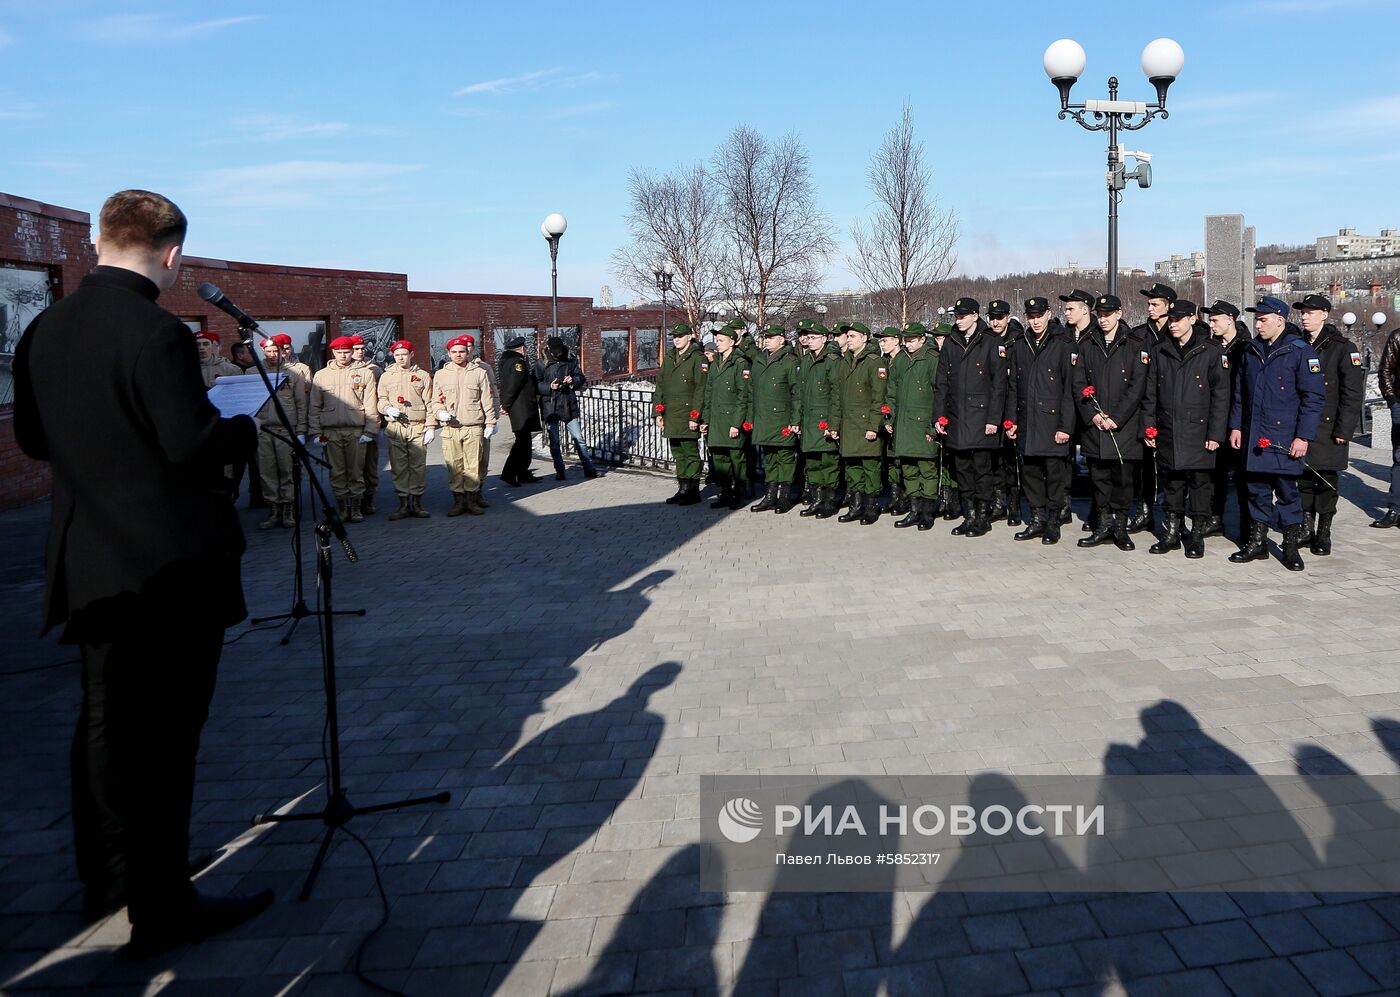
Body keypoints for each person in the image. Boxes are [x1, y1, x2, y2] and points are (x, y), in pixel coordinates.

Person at [13, 189, 272, 956]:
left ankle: (112, 874)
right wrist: (242, 428)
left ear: (98, 241)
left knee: (103, 723)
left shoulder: (45, 327)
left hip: (88, 560)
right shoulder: (157, 333)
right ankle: (163, 904)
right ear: (172, 254)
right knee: (164, 735)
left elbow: (32, 437)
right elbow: (191, 445)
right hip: (165, 568)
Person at [1228, 295, 1326, 571]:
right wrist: (1236, 426)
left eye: (1262, 319)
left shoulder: (1300, 352)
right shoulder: (1250, 350)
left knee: (1287, 494)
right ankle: (1257, 543)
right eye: (1256, 319)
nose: (1257, 324)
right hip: (1254, 435)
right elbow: (1239, 394)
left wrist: (1303, 436)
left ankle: (1291, 546)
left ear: (1280, 321)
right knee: (1256, 491)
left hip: (1284, 438)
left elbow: (1313, 398)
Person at [1142, 300, 1230, 558]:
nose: (1174, 324)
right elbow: (1150, 394)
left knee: (1200, 484)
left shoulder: (1211, 350)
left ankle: (1197, 535)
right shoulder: (1161, 350)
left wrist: (1215, 434)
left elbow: (1221, 396)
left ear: (1192, 319)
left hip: (1199, 431)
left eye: (1179, 320)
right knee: (1172, 483)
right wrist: (1150, 427)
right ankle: (1172, 533)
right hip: (1169, 428)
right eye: (1171, 320)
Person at [1073, 294, 1147, 551]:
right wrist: (1092, 415)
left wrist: (1116, 418)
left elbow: (1137, 387)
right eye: (1100, 315)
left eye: (1108, 314)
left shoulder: (1135, 344)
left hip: (1122, 428)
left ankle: (1120, 527)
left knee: (1123, 481)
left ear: (1119, 313)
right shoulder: (1088, 343)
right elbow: (1078, 381)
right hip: (1096, 426)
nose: (1103, 319)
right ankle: (1103, 526)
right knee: (1099, 479)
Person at [1292, 294, 1363, 556]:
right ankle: (1305, 527)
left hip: (1330, 427)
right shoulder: (1298, 344)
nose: (1305, 317)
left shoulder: (1343, 347)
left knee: (1326, 481)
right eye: (1303, 313)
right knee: (1303, 480)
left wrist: (1344, 430)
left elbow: (1353, 393)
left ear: (1324, 314)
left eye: (1310, 312)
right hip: (1302, 426)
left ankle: (1324, 531)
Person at [1004, 296, 1075, 544]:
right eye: (1030, 317)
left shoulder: (1063, 344)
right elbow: (1013, 386)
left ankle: (1053, 521)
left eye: (1039, 316)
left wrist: (1065, 426)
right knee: (1031, 473)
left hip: (1052, 423)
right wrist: (1011, 420)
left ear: (1048, 314)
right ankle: (1037, 519)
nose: (1035, 321)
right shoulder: (1020, 344)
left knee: (1055, 475)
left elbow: (1070, 390)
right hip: (1027, 421)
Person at [934, 298, 1006, 537]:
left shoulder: (991, 341)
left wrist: (994, 419)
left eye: (963, 315)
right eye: (957, 316)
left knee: (982, 470)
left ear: (975, 316)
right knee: (962, 469)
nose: (959, 319)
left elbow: (999, 385)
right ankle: (970, 516)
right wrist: (939, 416)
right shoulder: (951, 343)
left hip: (982, 416)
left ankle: (982, 517)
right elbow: (941, 383)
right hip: (956, 416)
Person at [309, 336, 378, 522]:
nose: (343, 355)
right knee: (337, 471)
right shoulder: (322, 375)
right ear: (333, 352)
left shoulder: (365, 373)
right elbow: (314, 406)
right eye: (339, 352)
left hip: (356, 430)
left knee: (356, 471)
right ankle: (342, 507)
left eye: (346, 352)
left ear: (352, 352)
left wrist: (370, 431)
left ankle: (356, 508)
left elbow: (371, 404)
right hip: (330, 431)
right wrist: (315, 432)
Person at [432, 334, 498, 515]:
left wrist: (491, 422)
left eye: (461, 351)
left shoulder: (479, 373)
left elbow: (487, 400)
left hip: (473, 426)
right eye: (454, 352)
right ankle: (457, 502)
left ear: (467, 352)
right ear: (448, 353)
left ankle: (472, 501)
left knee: (473, 465)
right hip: (450, 428)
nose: (458, 355)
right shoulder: (441, 374)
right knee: (454, 466)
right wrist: (439, 412)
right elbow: (435, 401)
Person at [831, 321, 887, 525]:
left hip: (865, 425)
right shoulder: (844, 361)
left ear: (864, 338)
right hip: (849, 425)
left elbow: (879, 398)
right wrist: (835, 425)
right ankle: (856, 506)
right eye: (848, 336)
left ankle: (871, 507)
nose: (849, 339)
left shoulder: (874, 362)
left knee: (870, 468)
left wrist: (874, 426)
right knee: (852, 467)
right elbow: (837, 397)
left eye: (853, 336)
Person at [887, 321, 942, 531]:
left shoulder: (931, 359)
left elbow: (939, 394)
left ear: (922, 339)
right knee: (908, 469)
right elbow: (891, 391)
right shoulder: (900, 360)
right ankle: (914, 508)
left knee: (926, 468)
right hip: (903, 424)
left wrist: (932, 426)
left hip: (923, 424)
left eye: (912, 340)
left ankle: (927, 512)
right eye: (906, 340)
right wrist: (889, 419)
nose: (908, 344)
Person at [253, 335, 308, 529]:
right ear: (263, 352)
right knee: (266, 472)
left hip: (286, 430)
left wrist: (301, 431)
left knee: (287, 471)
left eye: (276, 350)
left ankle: (288, 510)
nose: (273, 354)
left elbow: (301, 404)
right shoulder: (254, 372)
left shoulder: (293, 373)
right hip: (263, 429)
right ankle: (273, 510)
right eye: (268, 351)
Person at [1206, 300, 1250, 538]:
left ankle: (1247, 524)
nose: (1211, 325)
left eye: (1215, 320)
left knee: (1243, 476)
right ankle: (1215, 518)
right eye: (1210, 320)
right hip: (1215, 419)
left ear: (1230, 319)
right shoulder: (1210, 346)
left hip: (1239, 420)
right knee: (1216, 473)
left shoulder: (1246, 347)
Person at [377, 339, 434, 520]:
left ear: (411, 355)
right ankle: (402, 504)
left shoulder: (423, 376)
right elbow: (381, 399)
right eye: (397, 355)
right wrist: (386, 409)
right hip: (396, 427)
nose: (401, 358)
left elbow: (431, 402)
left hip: (417, 426)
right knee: (399, 467)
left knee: (417, 466)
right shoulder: (386, 376)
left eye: (404, 355)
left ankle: (417, 503)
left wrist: (431, 426)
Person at [653, 323, 708, 506]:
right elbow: (660, 385)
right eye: (674, 336)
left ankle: (692, 490)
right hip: (672, 413)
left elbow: (701, 389)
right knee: (677, 451)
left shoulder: (697, 358)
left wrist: (695, 416)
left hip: (687, 413)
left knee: (690, 451)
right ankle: (682, 488)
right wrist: (658, 411)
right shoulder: (670, 357)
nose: (676, 339)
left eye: (680, 336)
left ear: (689, 337)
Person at [748, 325, 801, 513]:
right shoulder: (760, 360)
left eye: (771, 337)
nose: (767, 340)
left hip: (782, 418)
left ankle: (784, 497)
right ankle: (770, 495)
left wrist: (795, 420)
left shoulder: (789, 360)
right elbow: (751, 391)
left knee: (785, 457)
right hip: (764, 418)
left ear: (782, 339)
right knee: (769, 457)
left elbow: (797, 393)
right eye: (765, 337)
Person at [700, 325, 751, 509]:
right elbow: (708, 394)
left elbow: (743, 395)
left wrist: (736, 424)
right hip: (716, 421)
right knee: (719, 459)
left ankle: (740, 493)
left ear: (731, 342)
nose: (717, 344)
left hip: (731, 421)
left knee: (736, 459)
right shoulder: (715, 364)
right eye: (717, 340)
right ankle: (725, 493)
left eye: (721, 341)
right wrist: (705, 421)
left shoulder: (740, 363)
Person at [794, 319, 841, 519]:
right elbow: (799, 393)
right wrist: (796, 420)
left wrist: (833, 423)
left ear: (824, 338)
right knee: (812, 463)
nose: (809, 341)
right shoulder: (806, 359)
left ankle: (828, 501)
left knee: (828, 463)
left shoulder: (831, 360)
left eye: (813, 338)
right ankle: (816, 499)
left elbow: (836, 394)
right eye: (807, 338)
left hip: (824, 419)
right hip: (808, 420)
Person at [538, 335, 599, 481]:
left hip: (568, 404)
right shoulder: (541, 364)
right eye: (555, 352)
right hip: (550, 405)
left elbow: (580, 377)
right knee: (555, 442)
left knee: (578, 438)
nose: (558, 354)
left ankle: (588, 468)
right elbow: (536, 384)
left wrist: (573, 380)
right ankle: (560, 470)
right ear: (550, 350)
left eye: (559, 351)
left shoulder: (571, 359)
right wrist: (549, 387)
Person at [985, 299, 1020, 524]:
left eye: (1000, 318)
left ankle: (1014, 506)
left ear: (1008, 317)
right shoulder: (986, 340)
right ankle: (998, 503)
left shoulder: (1017, 341)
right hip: (991, 407)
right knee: (994, 459)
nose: (996, 322)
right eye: (992, 318)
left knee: (1011, 461)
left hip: (1012, 406)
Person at [496, 335, 543, 486]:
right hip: (520, 408)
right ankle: (509, 473)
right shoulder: (517, 362)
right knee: (521, 442)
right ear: (522, 349)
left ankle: (523, 472)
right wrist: (506, 404)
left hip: (520, 407)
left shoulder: (507, 360)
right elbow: (513, 385)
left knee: (525, 441)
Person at [876, 326, 910, 518]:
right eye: (881, 341)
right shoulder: (885, 361)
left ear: (897, 340)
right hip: (885, 415)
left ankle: (903, 498)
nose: (883, 343)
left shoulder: (903, 360)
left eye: (886, 340)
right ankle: (895, 497)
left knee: (900, 460)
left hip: (898, 416)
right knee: (890, 460)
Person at [349, 336, 384, 514]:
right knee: (352, 465)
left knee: (370, 464)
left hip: (370, 423)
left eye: (362, 348)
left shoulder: (374, 370)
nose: (360, 351)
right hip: (351, 423)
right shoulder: (343, 370)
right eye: (356, 348)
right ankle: (354, 500)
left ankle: (368, 500)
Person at [1374, 322, 1400, 528]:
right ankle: (1395, 509)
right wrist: (1392, 400)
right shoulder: (1397, 336)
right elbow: (1385, 370)